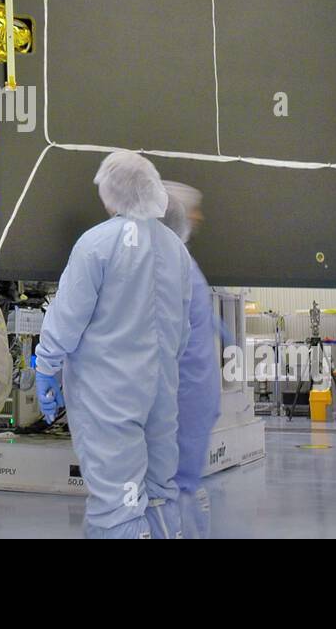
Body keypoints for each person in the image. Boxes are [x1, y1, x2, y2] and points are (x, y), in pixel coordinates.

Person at [34, 151, 193, 538]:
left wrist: (46, 366)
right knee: (158, 494)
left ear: (113, 194)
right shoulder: (175, 249)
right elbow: (182, 331)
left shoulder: (96, 245)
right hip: (160, 394)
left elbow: (67, 315)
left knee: (119, 506)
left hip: (109, 398)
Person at [161, 180, 222, 538]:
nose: (198, 216)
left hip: (184, 399)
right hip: (192, 398)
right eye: (191, 209)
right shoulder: (181, 266)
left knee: (170, 491)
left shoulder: (171, 266)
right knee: (179, 491)